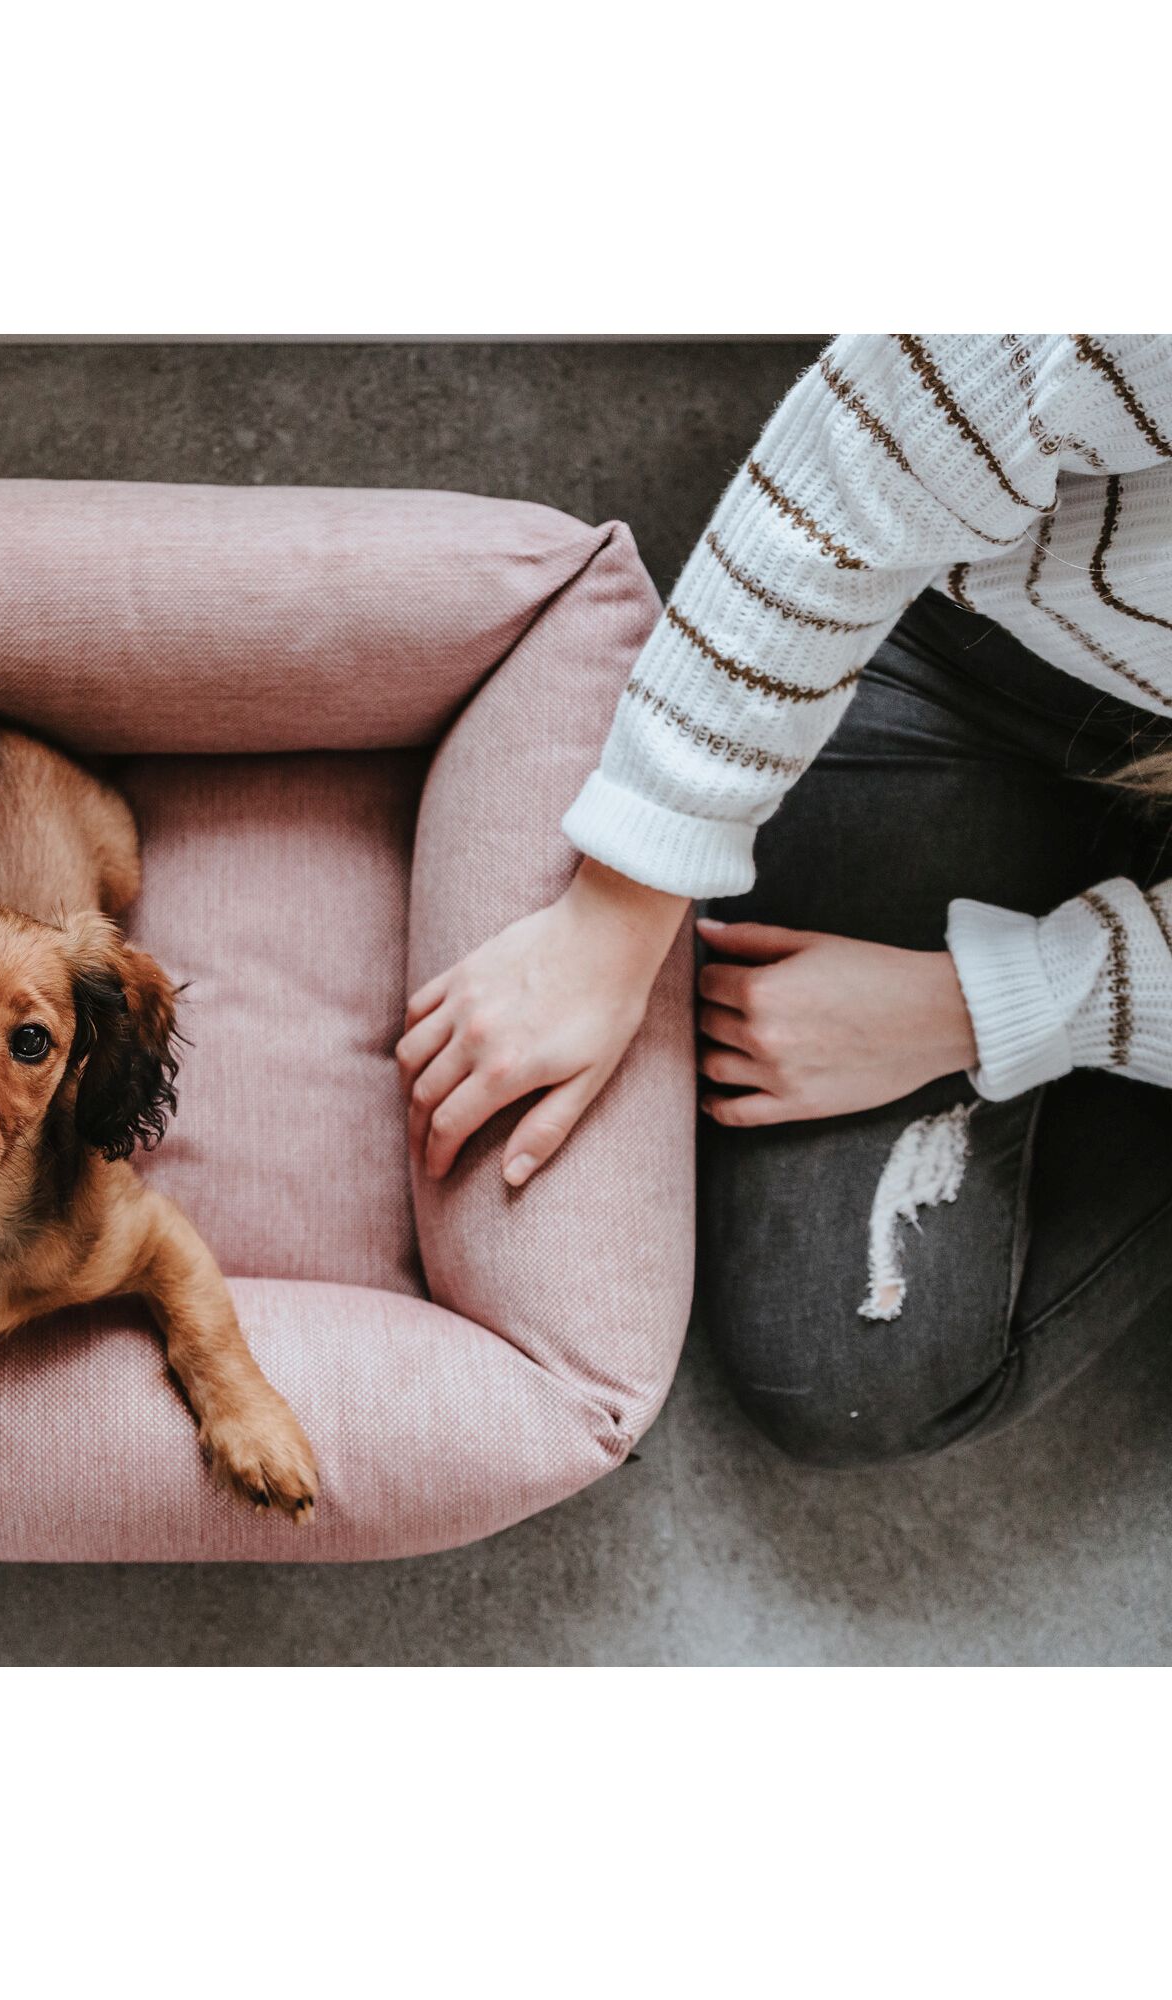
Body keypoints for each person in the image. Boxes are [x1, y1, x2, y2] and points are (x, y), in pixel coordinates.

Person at [399, 335, 1172, 1468]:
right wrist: (618, 907)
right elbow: (879, 444)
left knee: (862, 1383)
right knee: (836, 1354)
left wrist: (992, 1004)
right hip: (987, 649)